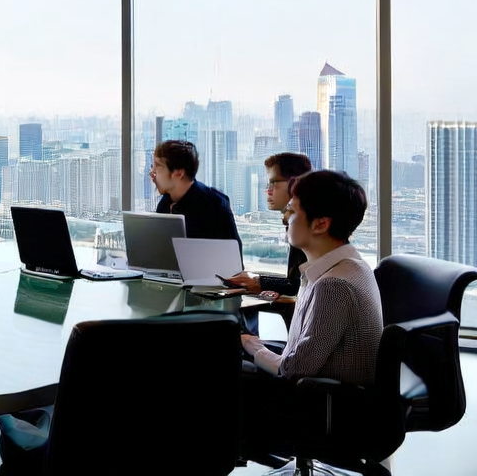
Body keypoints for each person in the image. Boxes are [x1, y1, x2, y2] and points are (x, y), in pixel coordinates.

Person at [240, 170, 383, 458]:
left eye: (291, 211)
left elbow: (294, 370)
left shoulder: (333, 286)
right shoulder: (346, 266)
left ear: (320, 224)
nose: (285, 218)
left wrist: (255, 348)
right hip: (330, 388)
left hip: (326, 402)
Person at [228, 152, 312, 295]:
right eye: (268, 184)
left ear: (294, 183)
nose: (268, 190)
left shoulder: (305, 226)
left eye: (273, 183)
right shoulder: (295, 222)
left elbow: (297, 285)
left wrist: (258, 282)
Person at [150, 140, 242, 252]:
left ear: (179, 173)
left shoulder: (215, 205)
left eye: (158, 167)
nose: (152, 174)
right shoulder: (164, 204)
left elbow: (234, 262)